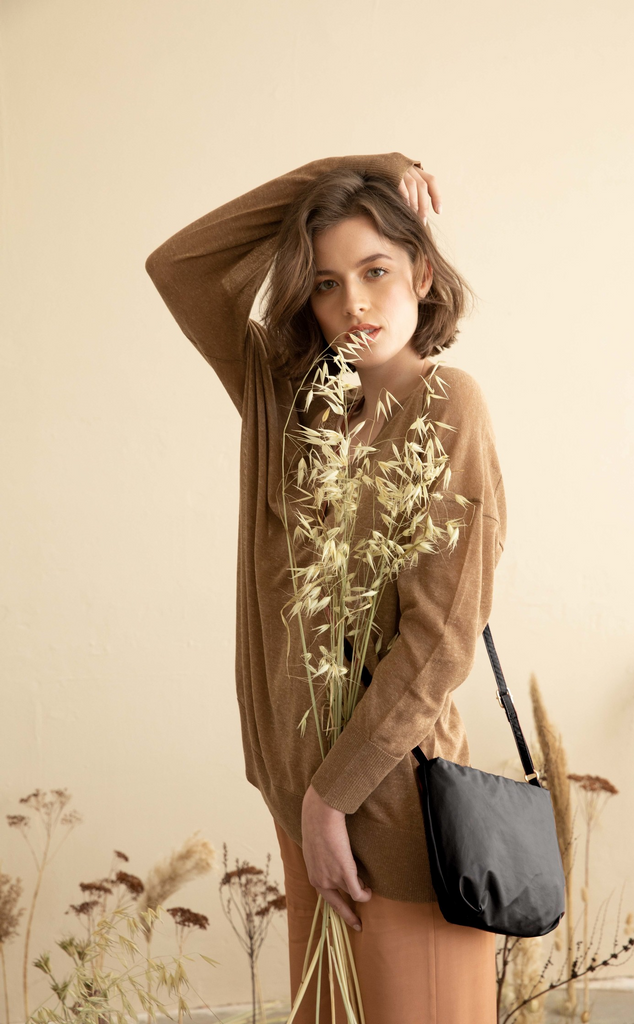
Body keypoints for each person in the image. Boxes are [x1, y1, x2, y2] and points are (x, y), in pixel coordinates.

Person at [145, 151, 507, 1023]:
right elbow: (179, 266)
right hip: (303, 814)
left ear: (422, 274)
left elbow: (440, 640)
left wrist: (330, 799)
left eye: (376, 271)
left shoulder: (448, 406)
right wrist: (355, 167)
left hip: (391, 812)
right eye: (324, 284)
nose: (354, 303)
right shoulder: (286, 399)